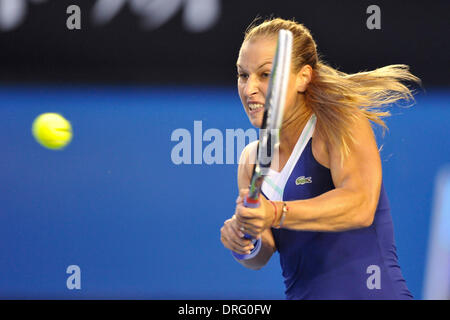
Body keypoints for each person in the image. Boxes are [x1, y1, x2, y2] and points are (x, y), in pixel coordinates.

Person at [220, 17, 421, 300]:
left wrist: (275, 212)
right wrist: (243, 239)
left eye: (265, 74)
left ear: (303, 77)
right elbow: (262, 253)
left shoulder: (340, 123)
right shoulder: (251, 159)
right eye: (243, 75)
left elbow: (360, 206)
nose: (249, 88)